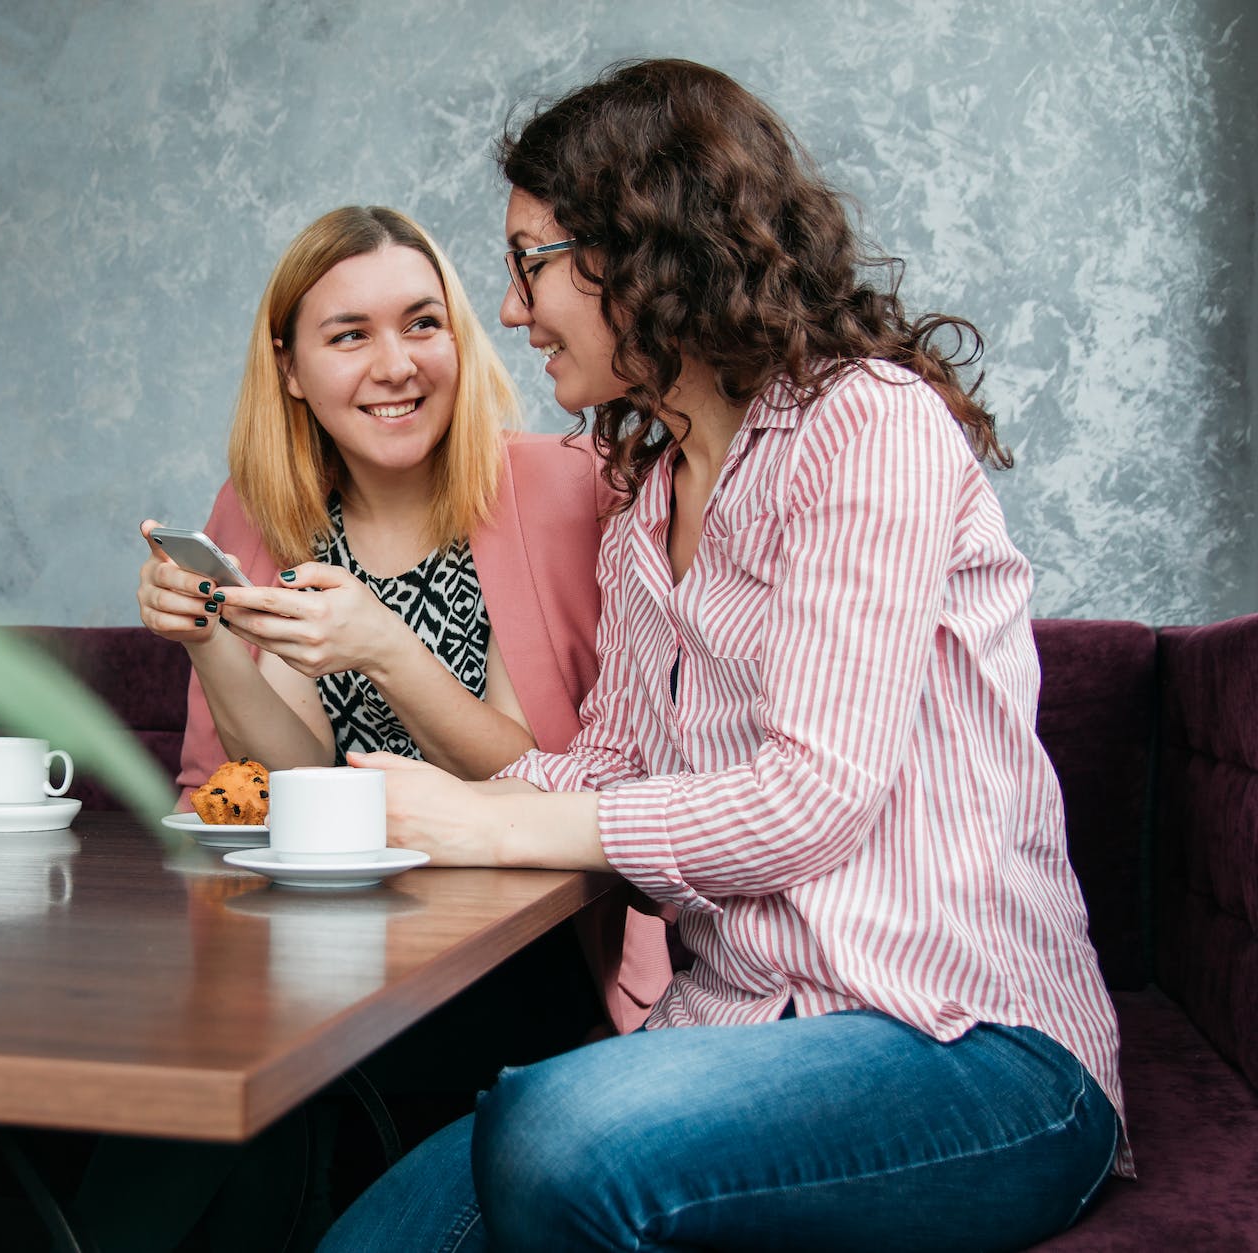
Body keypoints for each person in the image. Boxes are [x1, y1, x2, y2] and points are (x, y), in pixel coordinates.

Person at [318, 60, 1128, 1252]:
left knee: (556, 1134)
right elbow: (613, 769)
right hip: (731, 1026)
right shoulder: (648, 500)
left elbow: (810, 798)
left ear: (647, 246)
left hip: (971, 1046)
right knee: (365, 1238)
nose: (507, 309)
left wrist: (485, 824)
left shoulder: (866, 424)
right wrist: (411, 804)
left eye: (530, 261)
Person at [91, 206, 668, 1253]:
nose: (395, 364)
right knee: (180, 1075)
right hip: (330, 948)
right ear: (292, 367)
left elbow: (554, 783)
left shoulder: (565, 486)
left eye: (421, 323)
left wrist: (383, 646)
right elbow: (297, 773)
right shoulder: (261, 510)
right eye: (348, 334)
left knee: (263, 1097)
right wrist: (211, 639)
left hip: (518, 953)